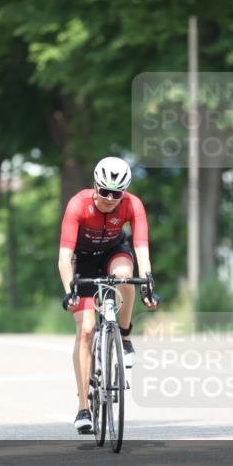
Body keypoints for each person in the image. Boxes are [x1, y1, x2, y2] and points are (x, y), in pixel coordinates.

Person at [58, 156, 158, 434]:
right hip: (84, 259)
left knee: (126, 277)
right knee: (87, 330)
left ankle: (124, 336)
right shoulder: (78, 204)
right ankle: (83, 408)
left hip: (115, 251)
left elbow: (141, 249)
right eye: (105, 192)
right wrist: (69, 291)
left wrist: (148, 284)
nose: (110, 199)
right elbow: (64, 256)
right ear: (95, 186)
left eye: (117, 194)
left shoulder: (133, 205)